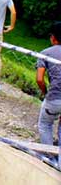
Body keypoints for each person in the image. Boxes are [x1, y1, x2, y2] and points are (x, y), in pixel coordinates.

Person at [36, 21, 61, 168]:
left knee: (45, 124)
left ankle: (50, 159)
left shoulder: (46, 53)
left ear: (53, 37)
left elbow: (39, 79)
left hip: (54, 97)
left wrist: (46, 93)